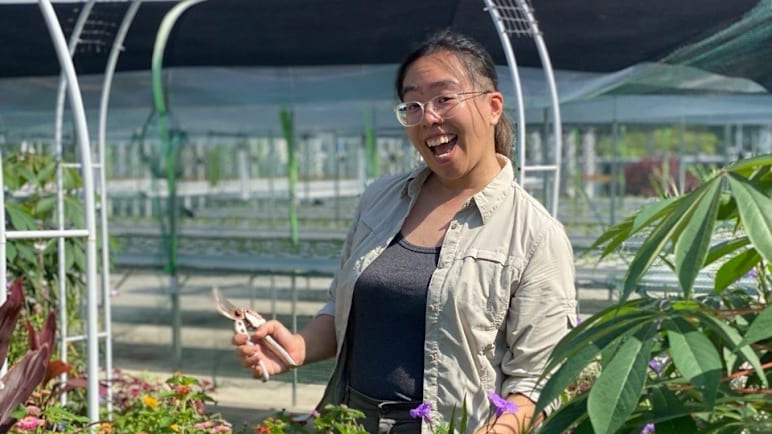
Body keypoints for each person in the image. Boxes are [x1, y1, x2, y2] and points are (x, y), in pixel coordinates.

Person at [233, 30, 577, 434]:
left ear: (492, 107)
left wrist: (498, 430)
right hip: (350, 422)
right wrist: (296, 347)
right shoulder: (380, 199)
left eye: (444, 98)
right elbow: (343, 307)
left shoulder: (535, 234)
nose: (429, 117)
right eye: (412, 104)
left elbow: (537, 382)